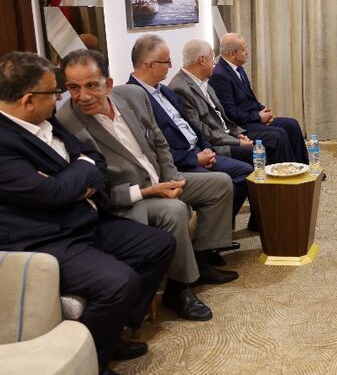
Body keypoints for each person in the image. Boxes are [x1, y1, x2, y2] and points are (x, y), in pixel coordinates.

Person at [0, 52, 175, 375]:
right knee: (118, 283)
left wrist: (74, 177)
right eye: (55, 92)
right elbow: (52, 194)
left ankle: (115, 327)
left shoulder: (44, 120)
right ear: (27, 100)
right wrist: (78, 175)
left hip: (83, 219)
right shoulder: (4, 143)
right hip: (48, 238)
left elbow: (94, 159)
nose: (60, 99)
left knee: (158, 245)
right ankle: (92, 359)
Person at [56, 49, 238, 323]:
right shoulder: (67, 123)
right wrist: (150, 191)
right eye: (73, 88)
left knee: (220, 184)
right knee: (174, 211)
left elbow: (159, 141)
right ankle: (179, 289)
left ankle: (200, 258)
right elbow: (98, 189)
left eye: (91, 85)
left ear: (108, 83)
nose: (82, 96)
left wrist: (170, 176)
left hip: (161, 180)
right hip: (130, 198)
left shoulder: (133, 96)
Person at [125, 34, 253, 224]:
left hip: (199, 151)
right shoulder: (133, 98)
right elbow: (157, 148)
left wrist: (205, 147)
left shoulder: (165, 91)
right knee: (230, 178)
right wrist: (195, 158)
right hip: (179, 164)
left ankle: (219, 228)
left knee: (247, 170)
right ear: (149, 65)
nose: (170, 66)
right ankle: (208, 241)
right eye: (166, 61)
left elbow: (192, 126)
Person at [209, 32, 308, 164]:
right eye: (243, 50)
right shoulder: (219, 76)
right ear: (232, 54)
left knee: (292, 124)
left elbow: (250, 99)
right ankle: (287, 178)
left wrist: (264, 111)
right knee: (279, 134)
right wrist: (258, 116)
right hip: (242, 127)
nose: (247, 52)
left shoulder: (238, 68)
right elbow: (230, 114)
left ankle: (303, 168)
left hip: (253, 119)